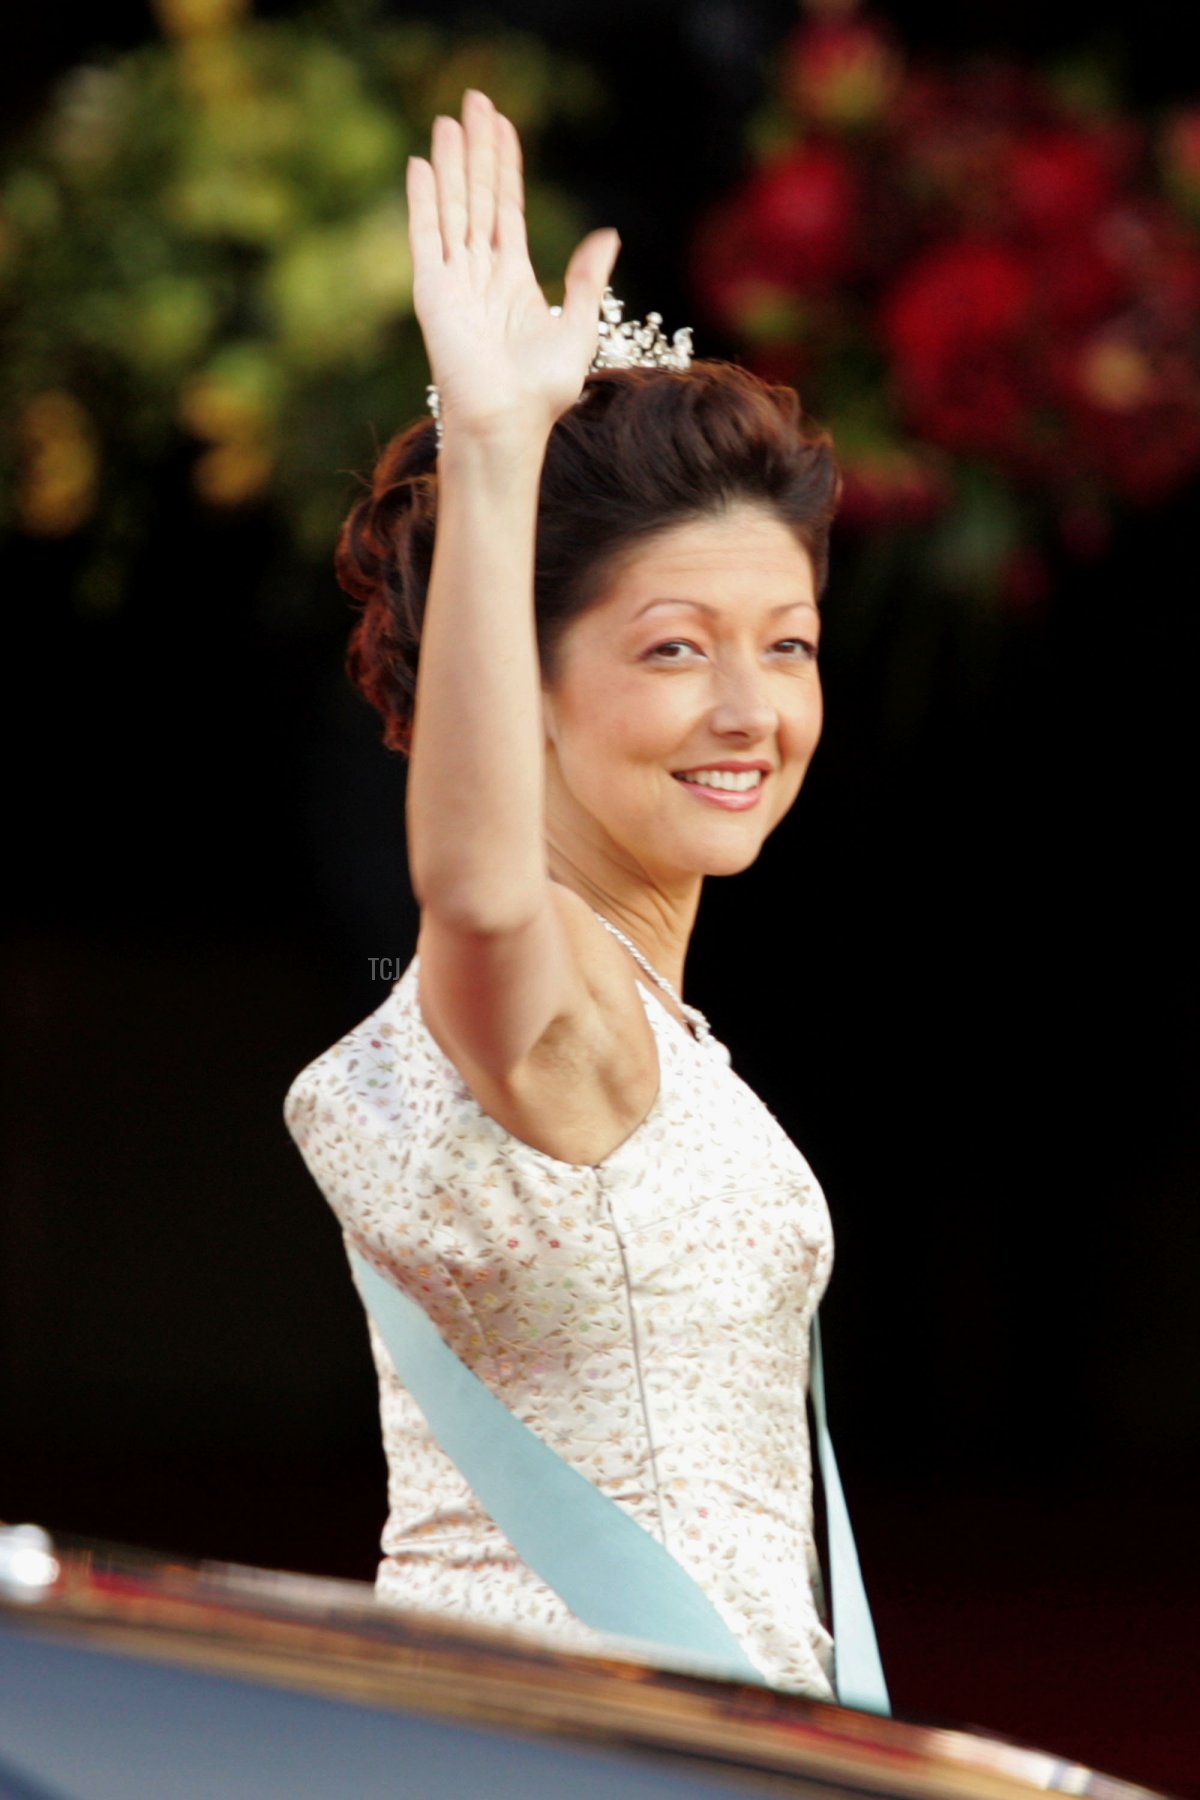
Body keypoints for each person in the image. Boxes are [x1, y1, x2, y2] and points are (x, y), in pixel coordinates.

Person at [285, 89, 851, 1701]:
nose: (750, 709)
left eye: (788, 644)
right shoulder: (536, 994)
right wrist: (490, 445)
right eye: (676, 646)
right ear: (520, 683)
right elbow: (467, 885)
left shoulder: (666, 1028)